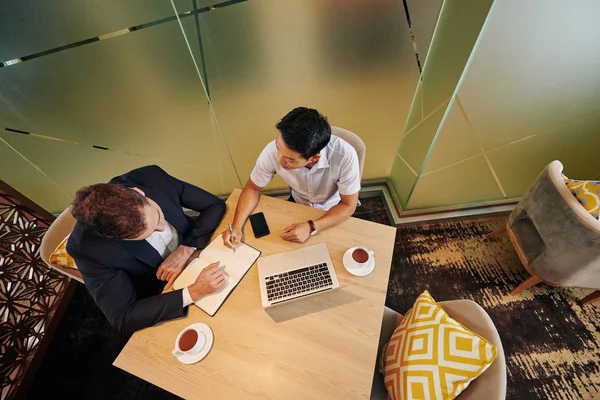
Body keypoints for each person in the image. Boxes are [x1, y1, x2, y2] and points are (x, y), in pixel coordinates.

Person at [67, 165, 227, 334]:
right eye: (150, 232)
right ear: (120, 238)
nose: (162, 227)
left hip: (197, 244)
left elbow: (215, 205)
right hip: (166, 288)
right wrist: (193, 292)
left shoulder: (150, 177)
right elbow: (123, 317)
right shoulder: (86, 249)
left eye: (158, 215)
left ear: (138, 192)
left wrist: (186, 248)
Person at [223, 107, 361, 247]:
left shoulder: (345, 155)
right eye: (278, 148)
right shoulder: (273, 151)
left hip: (334, 207)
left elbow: (348, 205)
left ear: (314, 158)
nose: (279, 160)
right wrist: (236, 226)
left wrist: (311, 227)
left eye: (290, 159)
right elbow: (252, 188)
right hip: (298, 202)